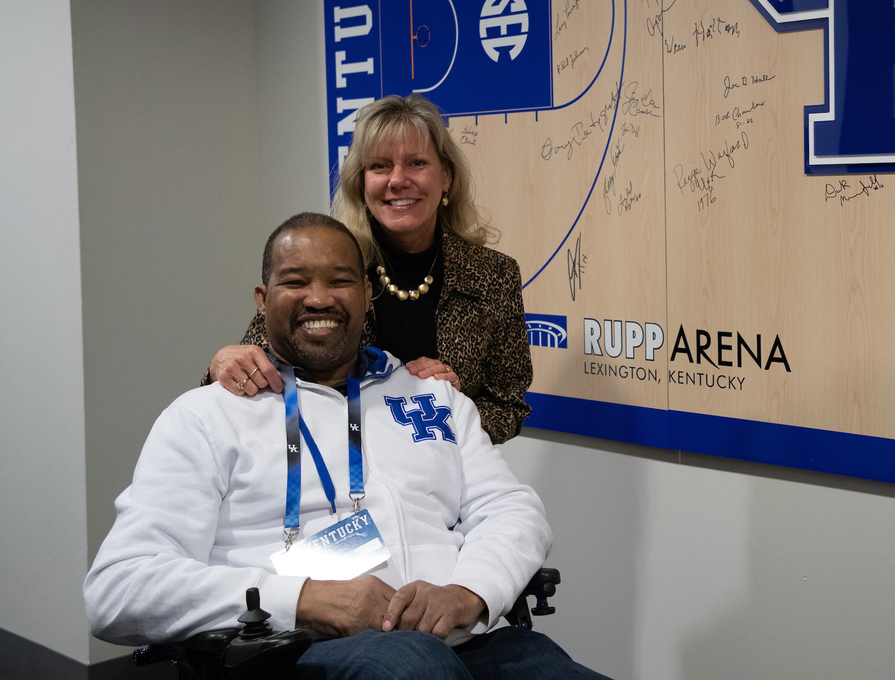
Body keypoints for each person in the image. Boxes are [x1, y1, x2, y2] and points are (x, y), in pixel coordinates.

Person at [85, 213, 608, 680]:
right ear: (262, 300)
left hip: (463, 640)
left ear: (365, 293)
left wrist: (470, 591)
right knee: (411, 666)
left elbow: (510, 509)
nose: (319, 298)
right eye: (295, 281)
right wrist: (305, 600)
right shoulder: (206, 415)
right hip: (299, 649)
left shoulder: (432, 397)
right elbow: (119, 588)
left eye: (340, 281)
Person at [205, 94, 531, 444]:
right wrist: (221, 367)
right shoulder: (325, 265)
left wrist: (453, 407)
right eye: (379, 166)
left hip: (441, 482)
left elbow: (508, 406)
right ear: (361, 184)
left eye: (417, 163)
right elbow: (248, 371)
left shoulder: (495, 276)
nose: (397, 180)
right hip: (327, 469)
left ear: (447, 176)